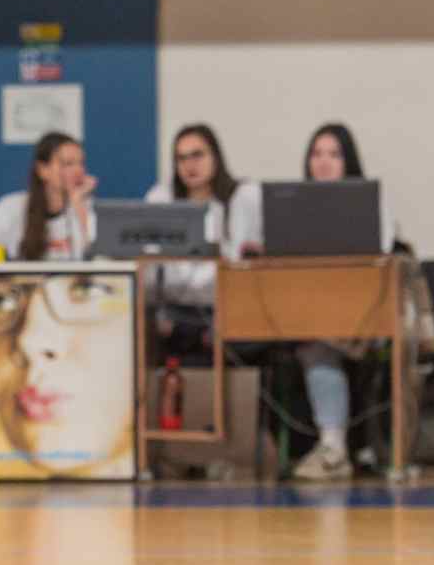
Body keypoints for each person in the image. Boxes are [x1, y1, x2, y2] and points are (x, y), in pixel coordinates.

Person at [289, 123, 395, 482]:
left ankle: (333, 447)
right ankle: (332, 447)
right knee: (314, 339)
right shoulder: (292, 210)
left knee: (316, 341)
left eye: (333, 154)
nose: (323, 162)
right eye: (316, 153)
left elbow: (382, 259)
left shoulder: (372, 204)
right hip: (314, 315)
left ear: (348, 160)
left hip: (365, 316)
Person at [143, 123, 261, 357]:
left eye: (197, 155)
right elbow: (148, 266)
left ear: (215, 156)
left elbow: (252, 263)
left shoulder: (242, 197)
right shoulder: (161, 199)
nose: (189, 165)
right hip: (174, 312)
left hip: (228, 310)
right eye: (181, 158)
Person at [0, 132, 97, 261]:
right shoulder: (11, 206)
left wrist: (78, 205)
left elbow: (95, 257)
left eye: (81, 163)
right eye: (68, 163)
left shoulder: (86, 207)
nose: (78, 170)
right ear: (42, 170)